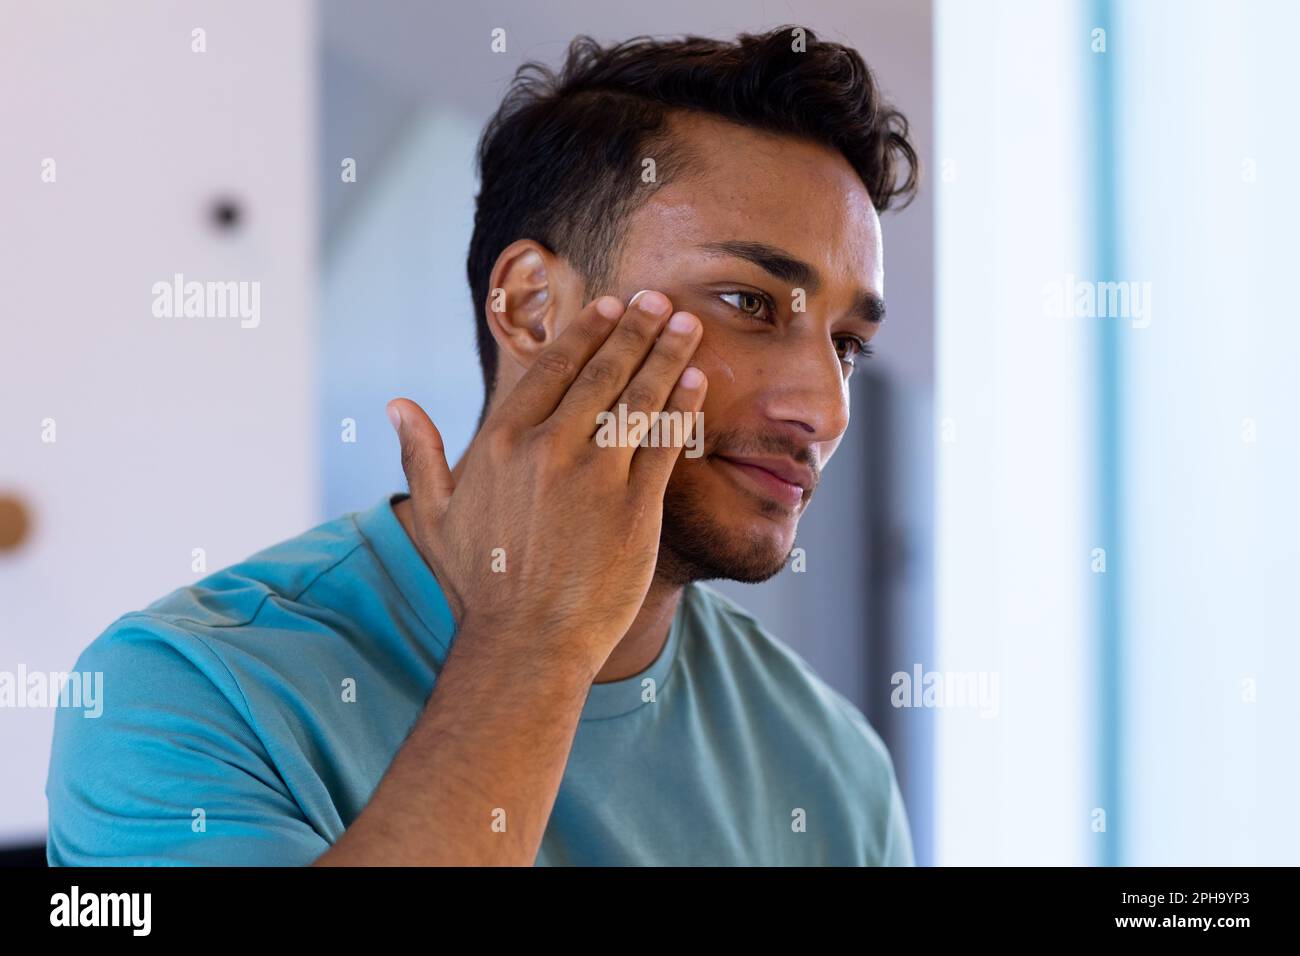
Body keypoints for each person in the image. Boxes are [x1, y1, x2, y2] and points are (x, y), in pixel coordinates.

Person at [46, 24, 919, 866]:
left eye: (846, 344)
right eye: (750, 302)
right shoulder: (184, 693)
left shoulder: (835, 770)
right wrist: (535, 636)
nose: (825, 409)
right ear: (533, 305)